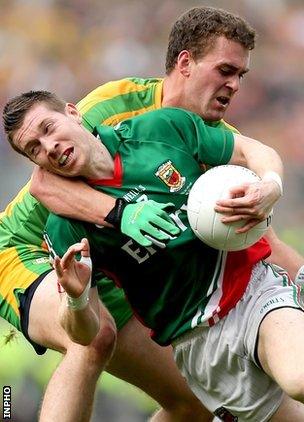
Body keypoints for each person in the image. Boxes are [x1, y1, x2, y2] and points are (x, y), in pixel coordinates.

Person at [1, 6, 302, 421]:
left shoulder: (198, 134)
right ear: (185, 64)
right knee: (95, 339)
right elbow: (44, 183)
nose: (234, 85)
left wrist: (270, 191)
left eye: (242, 76)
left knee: (191, 404)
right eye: (225, 70)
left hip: (107, 260)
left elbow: (259, 237)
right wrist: (120, 213)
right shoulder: (117, 105)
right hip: (28, 250)